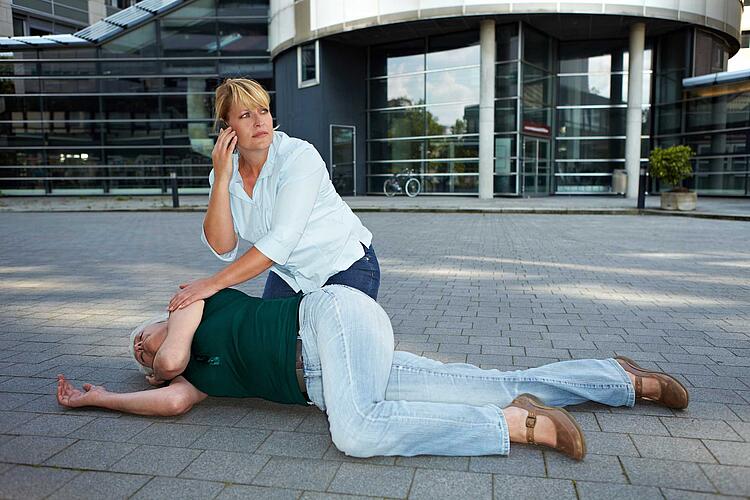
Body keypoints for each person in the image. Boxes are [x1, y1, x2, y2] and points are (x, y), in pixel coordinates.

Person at [57, 286, 689, 460]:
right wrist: (101, 399)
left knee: (354, 434)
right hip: (346, 368)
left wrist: (158, 355)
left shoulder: (194, 302)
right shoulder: (197, 380)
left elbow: (168, 361)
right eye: (136, 355)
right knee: (492, 377)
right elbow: (170, 401)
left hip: (331, 320)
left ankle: (519, 428)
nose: (143, 353)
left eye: (138, 340)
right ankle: (621, 380)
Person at [168, 79, 378, 312]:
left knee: (332, 344)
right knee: (270, 344)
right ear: (227, 126)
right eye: (246, 115)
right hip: (290, 275)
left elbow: (281, 239)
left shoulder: (298, 156)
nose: (259, 122)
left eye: (263, 111)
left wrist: (212, 283)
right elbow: (222, 246)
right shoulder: (224, 173)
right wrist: (220, 180)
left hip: (343, 264)